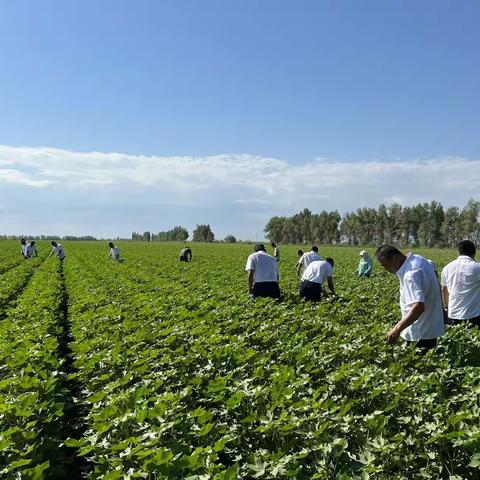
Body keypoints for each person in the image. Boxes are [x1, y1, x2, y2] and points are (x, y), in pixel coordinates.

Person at [375, 244, 444, 351]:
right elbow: (436, 279)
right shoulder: (420, 260)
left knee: (418, 365)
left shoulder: (410, 274)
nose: (386, 269)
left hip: (419, 332)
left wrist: (396, 329)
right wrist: (442, 311)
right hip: (430, 329)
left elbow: (419, 307)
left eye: (385, 265)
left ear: (396, 258)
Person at [441, 240, 480, 328]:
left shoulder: (447, 268)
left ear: (459, 252)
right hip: (474, 315)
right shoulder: (477, 267)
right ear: (474, 252)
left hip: (453, 314)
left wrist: (447, 309)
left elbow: (444, 290)